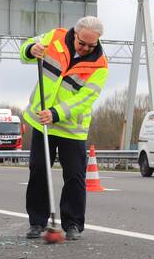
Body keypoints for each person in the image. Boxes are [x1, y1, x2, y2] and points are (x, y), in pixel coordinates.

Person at [20, 16, 109, 240]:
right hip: (41, 122)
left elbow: (85, 99)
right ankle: (37, 222)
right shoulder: (55, 37)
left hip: (71, 128)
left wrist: (57, 114)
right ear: (75, 34)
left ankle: (73, 224)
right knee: (38, 170)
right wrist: (32, 49)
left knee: (75, 176)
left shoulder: (100, 66)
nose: (87, 48)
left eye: (92, 45)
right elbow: (25, 50)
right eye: (82, 43)